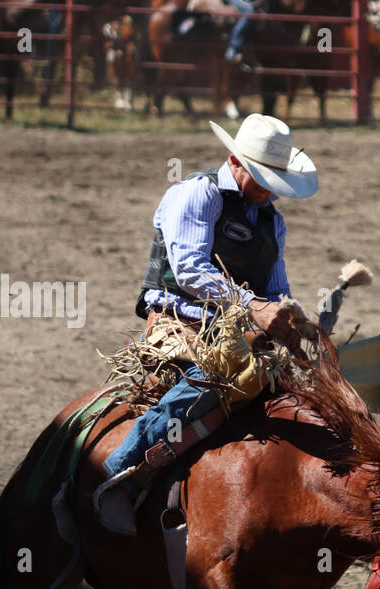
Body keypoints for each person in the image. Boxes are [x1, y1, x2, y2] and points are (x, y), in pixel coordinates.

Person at [93, 114, 319, 536]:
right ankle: (120, 475)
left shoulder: (273, 221)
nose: (269, 189)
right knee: (210, 376)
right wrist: (255, 307)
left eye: (275, 179)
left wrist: (292, 320)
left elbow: (276, 288)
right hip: (179, 322)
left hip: (237, 332)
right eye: (262, 177)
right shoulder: (197, 194)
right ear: (235, 161)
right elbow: (191, 271)